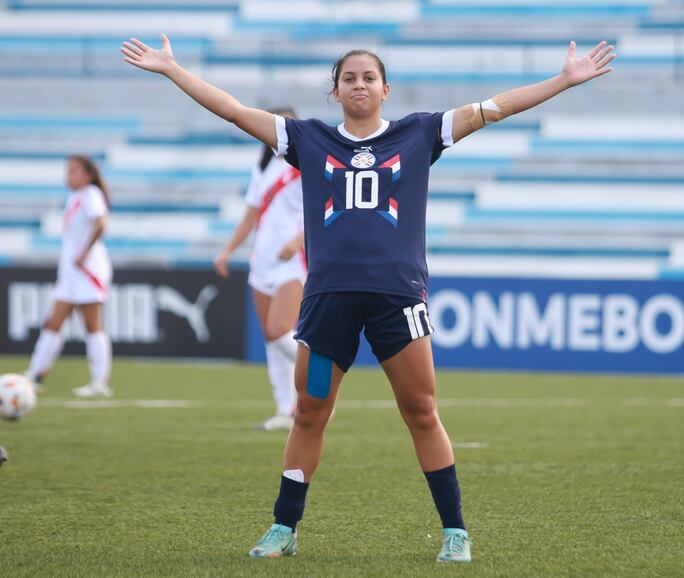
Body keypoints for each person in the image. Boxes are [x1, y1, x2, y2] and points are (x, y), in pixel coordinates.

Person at [121, 34, 615, 563]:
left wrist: (564, 81)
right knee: (309, 411)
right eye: (349, 78)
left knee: (421, 410)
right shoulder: (307, 139)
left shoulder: (420, 132)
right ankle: (283, 528)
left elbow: (496, 108)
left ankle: (455, 532)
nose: (359, 84)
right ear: (335, 91)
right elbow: (235, 111)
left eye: (368, 77)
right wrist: (174, 70)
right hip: (327, 303)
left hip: (396, 302)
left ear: (386, 88)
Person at [214, 109, 305, 431]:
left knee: (281, 329)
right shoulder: (263, 169)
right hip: (262, 261)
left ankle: (322, 379)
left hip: (292, 262)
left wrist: (299, 240)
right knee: (270, 337)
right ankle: (285, 409)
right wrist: (227, 250)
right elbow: (250, 216)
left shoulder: (305, 164)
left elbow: (326, 208)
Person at [25, 155, 113, 398]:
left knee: (91, 325)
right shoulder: (76, 197)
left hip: (88, 270)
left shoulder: (91, 194)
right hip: (71, 273)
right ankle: (35, 374)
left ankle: (99, 382)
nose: (68, 176)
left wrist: (84, 254)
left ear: (87, 174)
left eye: (73, 171)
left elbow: (101, 223)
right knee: (53, 322)